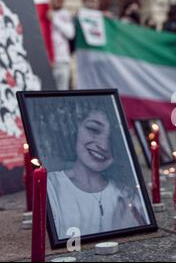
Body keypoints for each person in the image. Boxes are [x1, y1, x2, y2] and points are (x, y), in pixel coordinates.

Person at [44, 100, 149, 238]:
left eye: (112, 138)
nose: (103, 146)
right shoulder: (51, 187)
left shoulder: (128, 194)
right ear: (75, 129)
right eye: (94, 130)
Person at [48, 0, 75, 90]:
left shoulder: (65, 14)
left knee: (61, 90)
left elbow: (70, 33)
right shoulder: (43, 11)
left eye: (62, 1)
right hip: (47, 59)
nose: (60, 3)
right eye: (58, 0)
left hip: (61, 60)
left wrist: (54, 19)